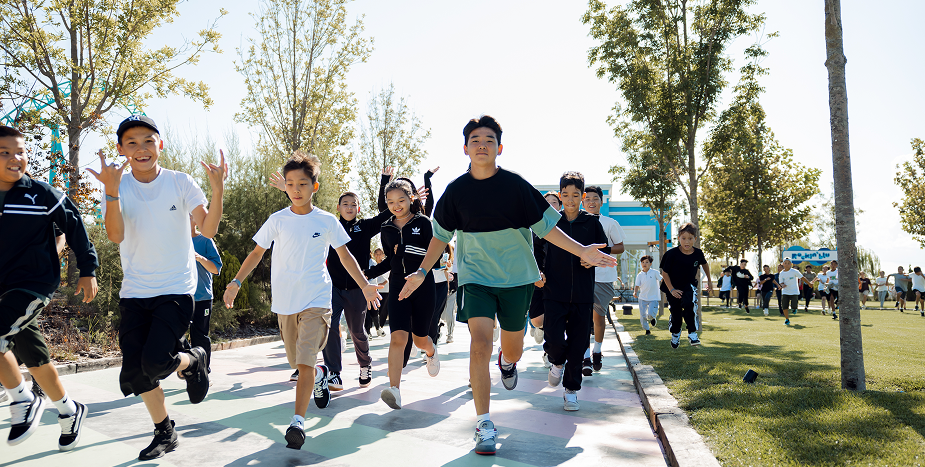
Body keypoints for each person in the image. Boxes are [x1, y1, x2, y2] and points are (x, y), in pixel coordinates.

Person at [396, 116, 616, 455]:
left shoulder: (516, 186)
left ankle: (508, 361)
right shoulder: (455, 192)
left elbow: (547, 230)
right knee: (479, 343)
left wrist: (581, 249)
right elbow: (440, 237)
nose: (481, 143)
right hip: (476, 279)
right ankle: (484, 423)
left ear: (499, 147)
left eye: (488, 139)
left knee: (510, 348)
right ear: (465, 148)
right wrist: (422, 272)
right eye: (474, 139)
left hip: (516, 281)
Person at [223, 151, 381, 450]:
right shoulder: (277, 220)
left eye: (303, 184)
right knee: (297, 361)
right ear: (285, 186)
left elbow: (345, 256)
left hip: (317, 298)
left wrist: (364, 285)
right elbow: (257, 253)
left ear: (314, 187)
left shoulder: (326, 220)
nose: (296, 189)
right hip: (286, 302)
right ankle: (322, 374)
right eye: (291, 183)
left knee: (305, 358)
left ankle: (298, 420)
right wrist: (235, 281)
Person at [87, 115, 224, 460]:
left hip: (176, 289)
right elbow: (116, 235)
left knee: (156, 360)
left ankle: (193, 359)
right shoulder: (116, 188)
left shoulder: (180, 182)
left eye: (148, 141)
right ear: (121, 150)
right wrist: (113, 192)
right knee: (137, 371)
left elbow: (206, 230)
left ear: (159, 145)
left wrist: (218, 189)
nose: (141, 149)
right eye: (131, 143)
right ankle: (165, 431)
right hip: (134, 292)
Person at [0, 126, 98, 451]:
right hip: (2, 290)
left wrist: (88, 269)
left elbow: (74, 224)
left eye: (20, 152)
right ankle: (70, 410)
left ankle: (22, 400)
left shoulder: (42, 194)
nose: (16, 159)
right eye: (5, 153)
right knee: (37, 361)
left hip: (32, 285)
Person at [270, 169, 391, 389]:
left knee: (357, 331)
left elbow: (386, 212)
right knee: (331, 327)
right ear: (338, 207)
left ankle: (365, 363)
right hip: (332, 289)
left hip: (357, 289)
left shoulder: (365, 227)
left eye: (353, 204)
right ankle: (334, 373)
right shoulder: (329, 223)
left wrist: (385, 182)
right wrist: (287, 189)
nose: (349, 207)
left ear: (358, 208)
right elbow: (304, 207)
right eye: (345, 204)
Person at [366, 179, 441, 410]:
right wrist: (365, 273)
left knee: (419, 339)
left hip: (422, 287)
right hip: (398, 287)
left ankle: (431, 351)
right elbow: (390, 259)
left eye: (401, 200)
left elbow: (435, 257)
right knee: (398, 338)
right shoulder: (387, 228)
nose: (396, 205)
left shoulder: (423, 222)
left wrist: (407, 251)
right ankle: (395, 390)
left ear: (411, 199)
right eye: (390, 202)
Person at [542, 172, 608, 411]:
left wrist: (593, 261)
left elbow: (604, 250)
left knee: (579, 345)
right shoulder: (550, 221)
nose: (570, 200)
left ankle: (571, 390)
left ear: (582, 197)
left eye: (576, 195)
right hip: (553, 292)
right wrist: (539, 272)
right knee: (555, 340)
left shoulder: (591, 223)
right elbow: (537, 250)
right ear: (560, 196)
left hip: (582, 294)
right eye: (566, 195)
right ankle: (556, 361)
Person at [582, 185, 625, 375]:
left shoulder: (610, 223)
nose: (591, 202)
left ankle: (597, 351)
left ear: (601, 201)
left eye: (595, 199)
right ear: (583, 201)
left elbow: (620, 247)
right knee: (580, 318)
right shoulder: (576, 222)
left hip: (604, 277)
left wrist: (599, 252)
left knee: (598, 317)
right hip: (580, 275)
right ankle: (584, 357)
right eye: (587, 199)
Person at [660, 223, 712, 348]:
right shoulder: (671, 254)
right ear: (678, 238)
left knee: (689, 306)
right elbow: (664, 273)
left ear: (695, 239)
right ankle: (676, 333)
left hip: (689, 285)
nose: (687, 241)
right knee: (676, 313)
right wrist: (672, 290)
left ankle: (692, 333)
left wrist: (709, 280)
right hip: (672, 287)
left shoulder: (698, 254)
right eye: (683, 238)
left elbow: (704, 264)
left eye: (690, 238)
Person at [188, 216, 222, 373]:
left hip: (202, 298)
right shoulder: (176, 241)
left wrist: (199, 257)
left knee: (199, 336)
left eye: (187, 216)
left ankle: (202, 371)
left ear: (195, 220)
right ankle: (188, 367)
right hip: (181, 298)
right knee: (178, 335)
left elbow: (216, 268)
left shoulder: (206, 241)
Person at [777, 259, 812, 326]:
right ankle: (787, 319)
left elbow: (802, 277)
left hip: (794, 292)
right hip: (785, 292)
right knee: (784, 306)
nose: (787, 264)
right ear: (783, 264)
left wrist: (809, 283)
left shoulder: (794, 271)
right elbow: (780, 282)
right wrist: (782, 285)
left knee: (794, 306)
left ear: (791, 264)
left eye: (788, 263)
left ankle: (794, 308)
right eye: (785, 263)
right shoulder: (781, 273)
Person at [634, 256, 662, 335]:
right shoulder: (639, 275)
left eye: (646, 262)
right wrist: (635, 292)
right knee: (643, 315)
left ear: (650, 264)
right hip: (642, 298)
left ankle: (652, 318)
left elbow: (661, 279)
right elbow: (637, 285)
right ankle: (647, 330)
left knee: (650, 314)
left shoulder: (655, 272)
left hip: (653, 297)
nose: (644, 264)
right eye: (642, 262)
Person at [366, 248, 389, 338]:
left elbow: (375, 275)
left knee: (375, 311)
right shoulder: (360, 262)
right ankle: (368, 331)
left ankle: (378, 328)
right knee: (367, 312)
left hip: (374, 289)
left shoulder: (373, 263)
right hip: (364, 289)